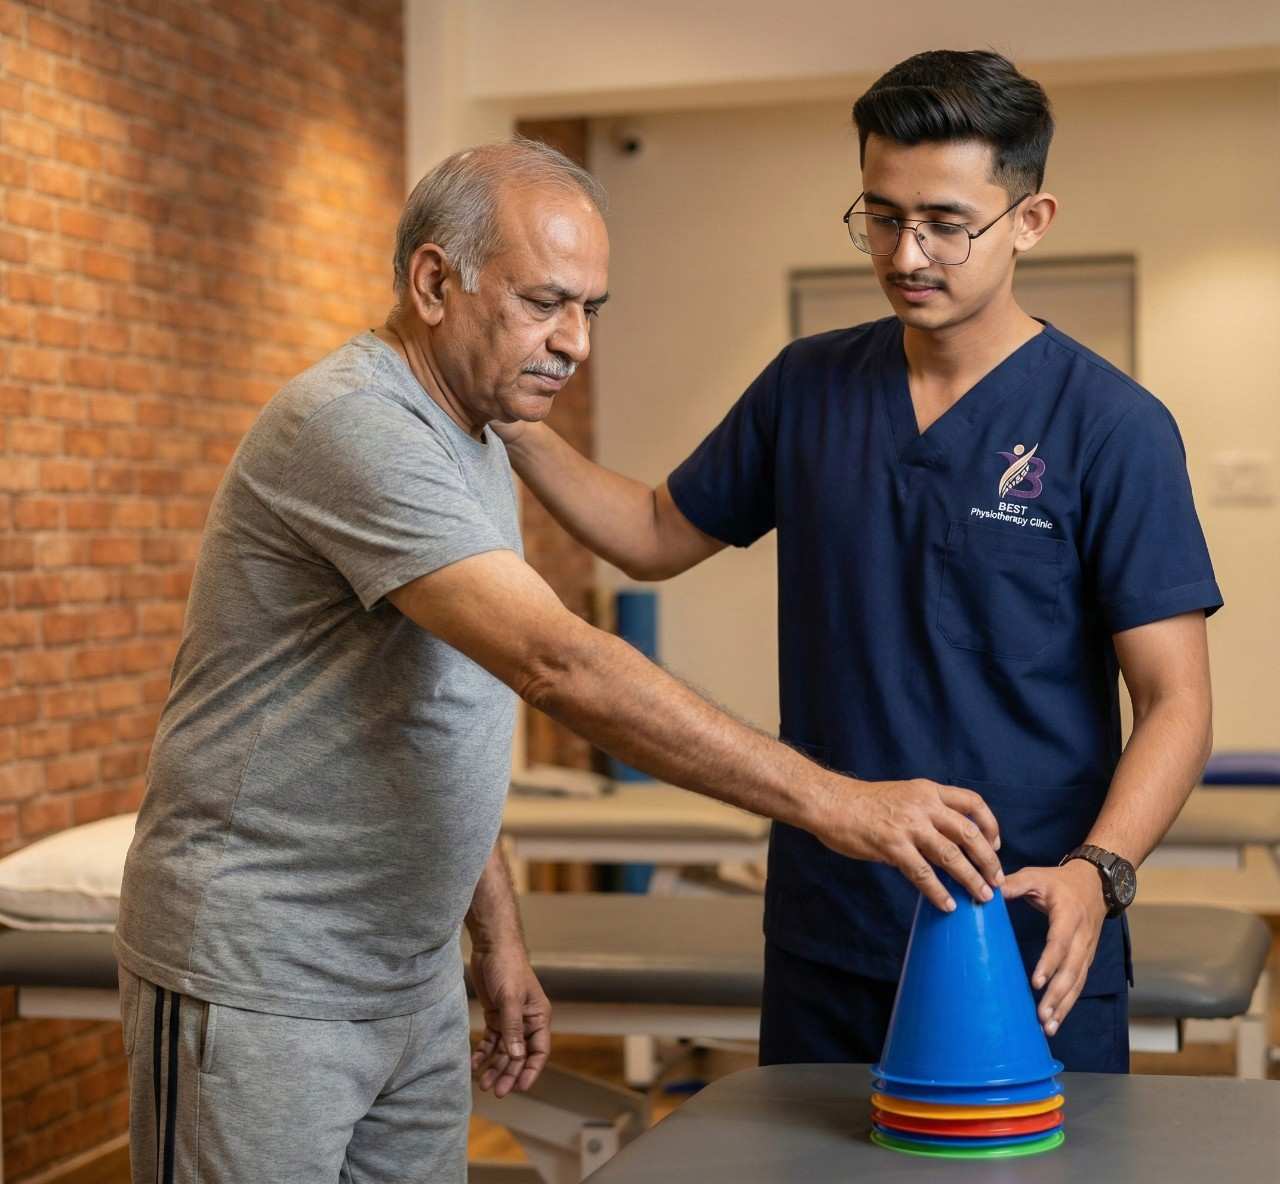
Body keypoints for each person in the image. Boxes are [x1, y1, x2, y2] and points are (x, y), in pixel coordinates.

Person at [114, 139, 1003, 1184]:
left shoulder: (478, 436)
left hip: (408, 973)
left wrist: (495, 934)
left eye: (590, 308)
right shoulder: (351, 426)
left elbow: (442, 717)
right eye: (545, 303)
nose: (574, 341)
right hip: (264, 970)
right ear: (433, 283)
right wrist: (834, 801)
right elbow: (556, 663)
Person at [494, 52, 1220, 1075]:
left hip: (1025, 934)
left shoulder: (1112, 427)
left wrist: (1098, 874)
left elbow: (1175, 701)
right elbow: (655, 531)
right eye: (881, 217)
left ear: (1030, 219)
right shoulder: (808, 385)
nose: (906, 253)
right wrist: (507, 420)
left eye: (945, 223)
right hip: (828, 927)